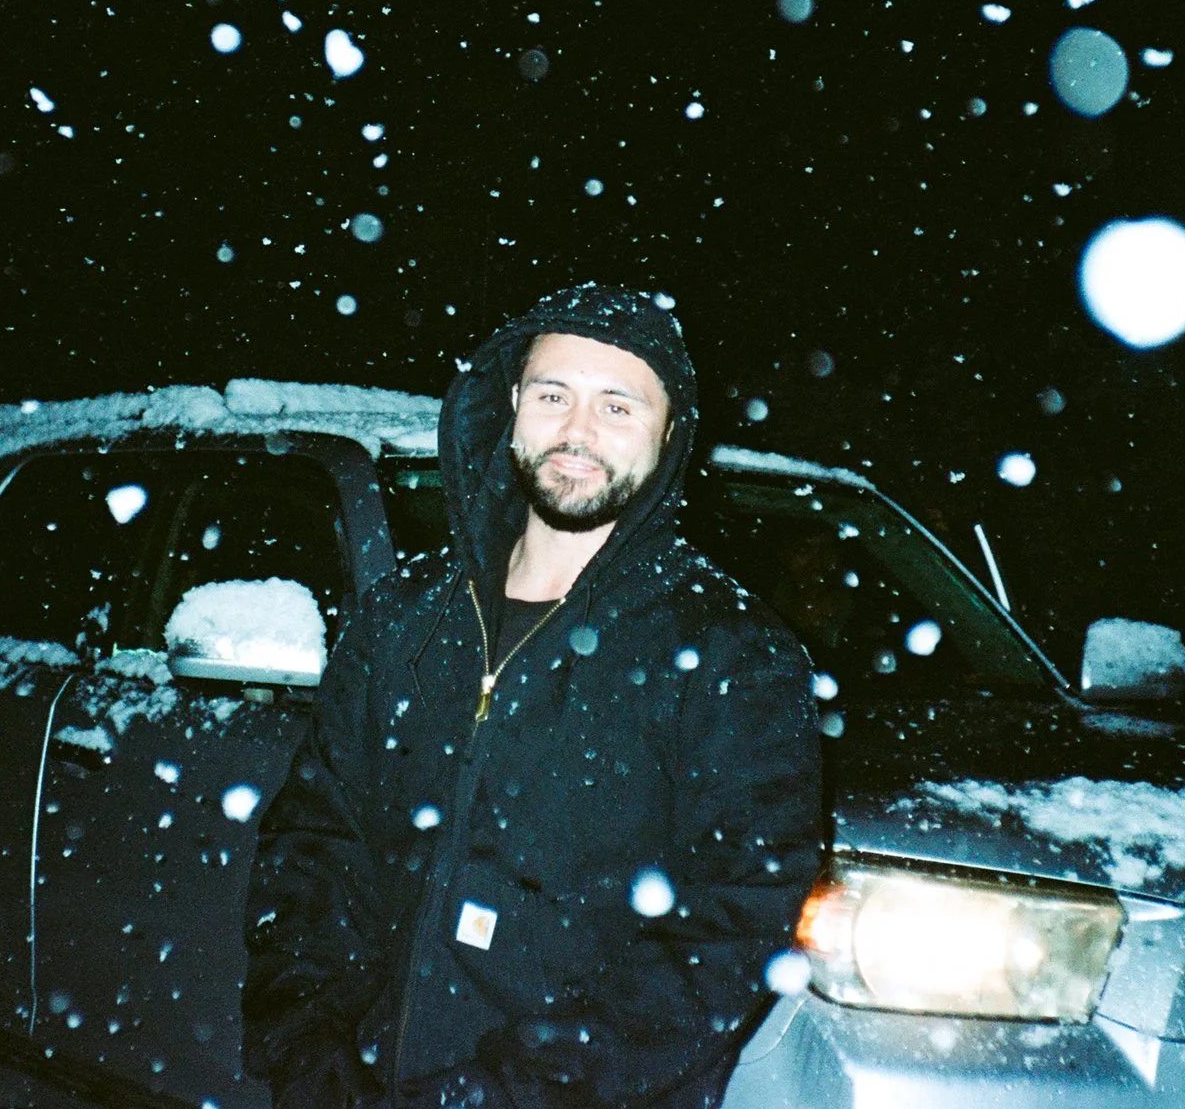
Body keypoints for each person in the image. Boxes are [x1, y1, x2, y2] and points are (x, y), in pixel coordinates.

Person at [243, 284, 825, 1109]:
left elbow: (732, 923)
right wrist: (308, 1049)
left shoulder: (733, 651)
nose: (577, 431)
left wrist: (511, 1091)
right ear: (513, 404)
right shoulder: (405, 616)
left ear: (670, 435)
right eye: (554, 395)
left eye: (617, 406)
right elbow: (314, 841)